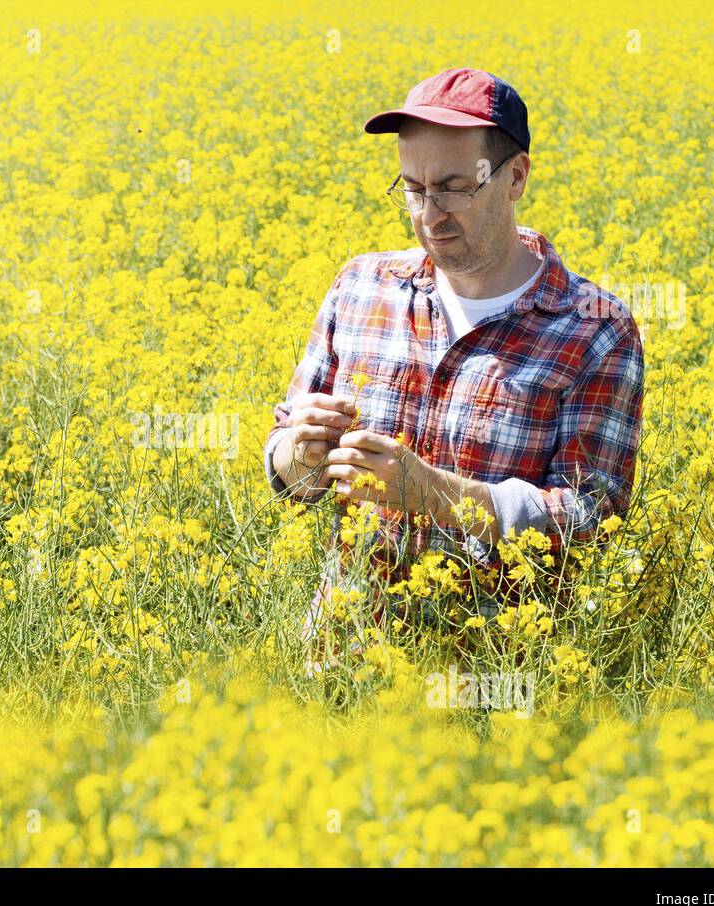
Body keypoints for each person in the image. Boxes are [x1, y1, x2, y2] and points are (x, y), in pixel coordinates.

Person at [263, 68, 644, 669]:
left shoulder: (594, 329)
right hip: (342, 669)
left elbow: (592, 524)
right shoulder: (360, 289)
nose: (429, 214)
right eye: (412, 188)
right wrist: (299, 453)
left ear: (515, 176)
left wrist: (436, 495)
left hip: (496, 682)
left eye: (454, 187)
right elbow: (287, 471)